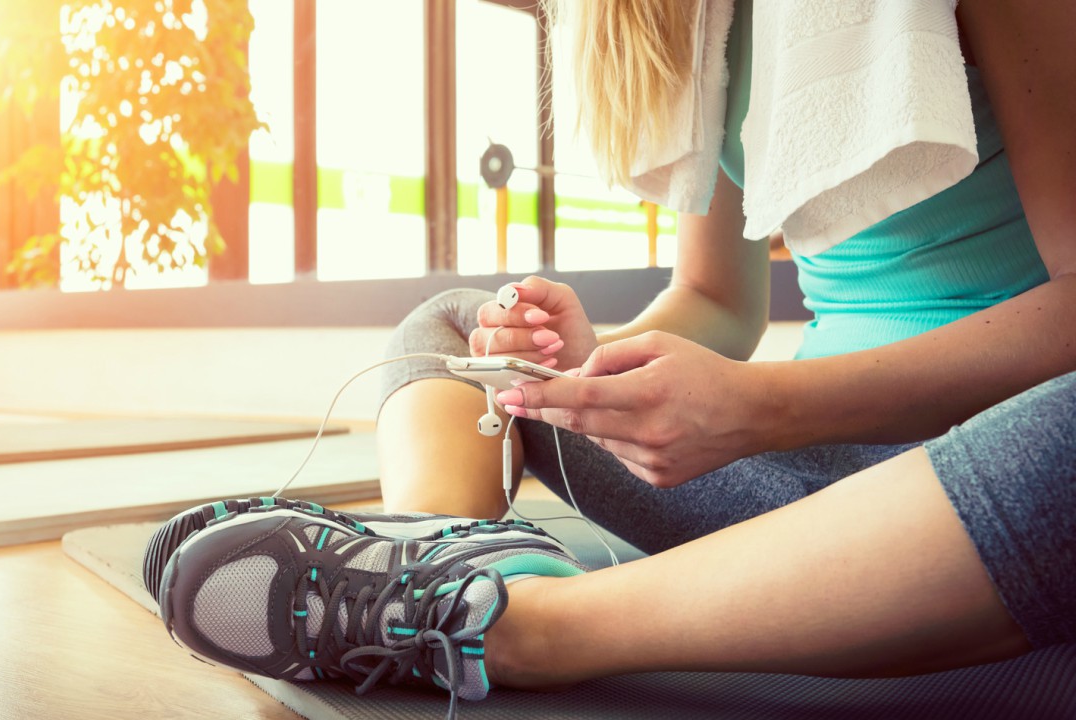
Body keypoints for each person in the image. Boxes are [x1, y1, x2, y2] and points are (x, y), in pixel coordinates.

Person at [142, 0, 1074, 716]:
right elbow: (715, 302)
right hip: (800, 486)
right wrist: (584, 369)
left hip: (974, 487)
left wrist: (765, 408)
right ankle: (445, 561)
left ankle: (524, 629)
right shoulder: (702, 25)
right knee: (458, 328)